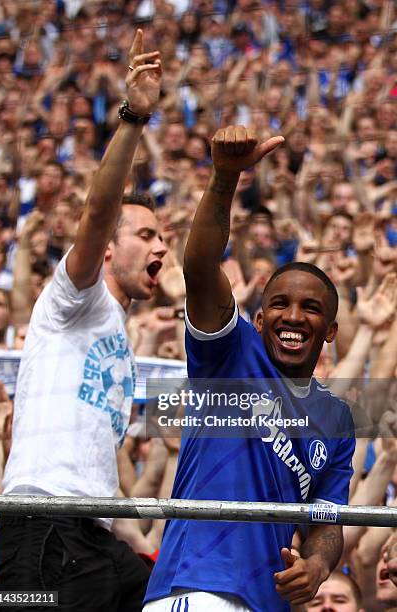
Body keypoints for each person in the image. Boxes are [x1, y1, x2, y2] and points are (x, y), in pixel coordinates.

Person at [144, 126, 356, 611]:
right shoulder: (232, 353)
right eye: (279, 304)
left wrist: (318, 566)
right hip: (196, 588)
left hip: (269, 603)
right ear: (258, 320)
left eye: (311, 309)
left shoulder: (337, 420)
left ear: (330, 330)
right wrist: (225, 178)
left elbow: (325, 522)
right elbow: (198, 268)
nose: (294, 317)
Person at [0, 30, 166, 612]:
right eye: (146, 235)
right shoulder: (73, 299)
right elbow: (98, 210)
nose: (161, 250)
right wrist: (133, 119)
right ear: (111, 248)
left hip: (93, 535)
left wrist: (144, 546)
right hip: (41, 529)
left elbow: (93, 472)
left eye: (164, 239)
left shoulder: (116, 331)